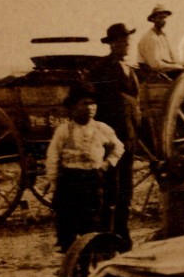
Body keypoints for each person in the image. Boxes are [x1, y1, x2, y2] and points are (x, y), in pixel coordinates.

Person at [44, 85, 125, 252]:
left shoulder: (102, 128)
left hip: (93, 178)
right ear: (73, 107)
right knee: (67, 215)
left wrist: (107, 163)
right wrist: (54, 181)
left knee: (94, 216)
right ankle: (70, 252)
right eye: (84, 103)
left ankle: (94, 249)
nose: (90, 108)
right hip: (71, 178)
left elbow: (119, 147)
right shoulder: (64, 130)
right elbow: (52, 156)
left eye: (93, 104)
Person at [87, 22, 142, 243]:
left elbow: (134, 102)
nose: (127, 44)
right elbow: (96, 104)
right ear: (113, 43)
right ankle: (107, 237)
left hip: (129, 137)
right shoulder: (100, 69)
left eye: (128, 40)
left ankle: (123, 234)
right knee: (111, 188)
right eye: (123, 41)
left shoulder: (129, 69)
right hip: (110, 140)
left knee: (126, 190)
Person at [138, 5, 180, 71]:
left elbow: (171, 58)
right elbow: (155, 64)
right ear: (153, 19)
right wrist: (177, 67)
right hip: (154, 74)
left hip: (164, 70)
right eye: (160, 18)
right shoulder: (150, 37)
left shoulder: (163, 36)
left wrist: (179, 65)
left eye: (164, 18)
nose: (163, 20)